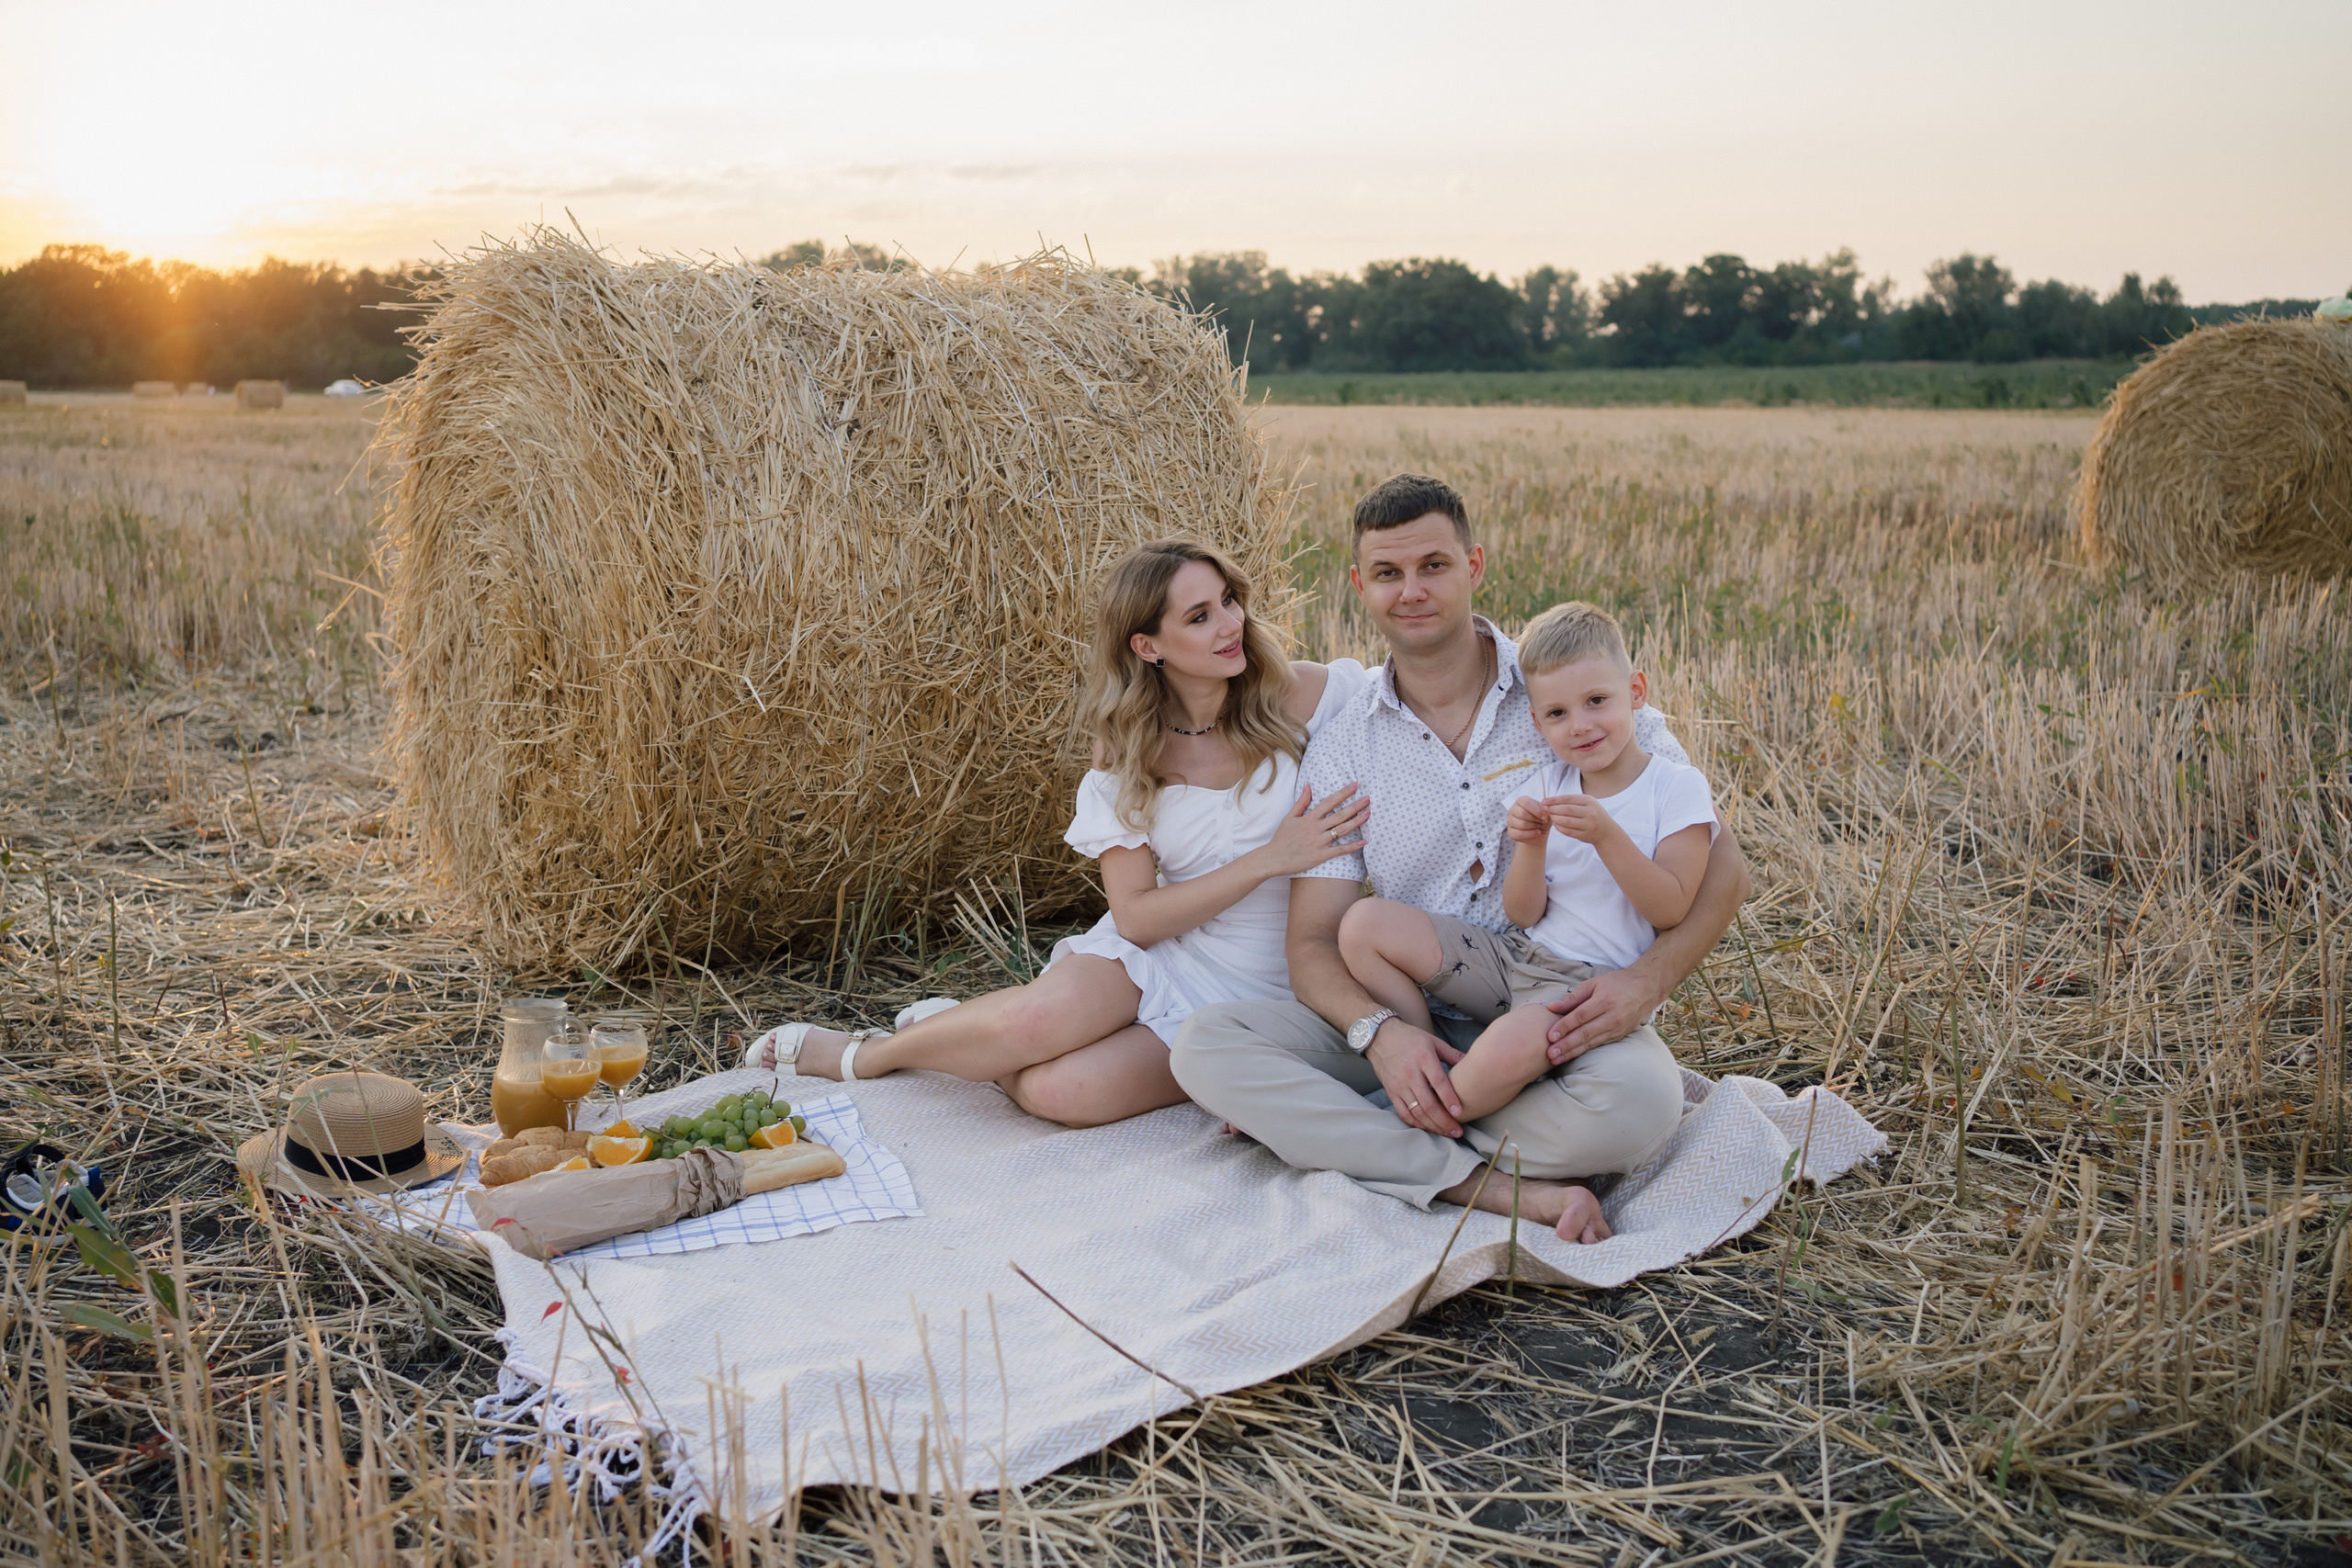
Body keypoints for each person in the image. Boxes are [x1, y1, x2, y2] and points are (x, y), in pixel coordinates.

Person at [1168, 475, 1752, 1245]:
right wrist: (1383, 1034)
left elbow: (1726, 869)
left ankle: (1367, 1135)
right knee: (1208, 1049)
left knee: (1642, 1105)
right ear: (1360, 586)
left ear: (1474, 565)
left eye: (1433, 566)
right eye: (1387, 573)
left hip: (1562, 1002)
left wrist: (1647, 981)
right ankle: (1492, 1182)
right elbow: (1313, 944)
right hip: (1416, 1014)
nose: (1411, 590)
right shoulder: (1347, 745)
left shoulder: (1568, 691)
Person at [746, 538, 1373, 1128]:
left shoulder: (1305, 695)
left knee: (1059, 1091)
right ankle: (877, 1053)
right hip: (1166, 953)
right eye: (1200, 616)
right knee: (1035, 1018)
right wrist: (1269, 859)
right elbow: (1136, 918)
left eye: (1229, 602)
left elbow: (1412, 695)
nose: (1231, 624)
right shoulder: (1130, 753)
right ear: (1148, 646)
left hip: (1275, 987)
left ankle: (963, 1036)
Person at [1338, 599, 1717, 1123]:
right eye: (1558, 714)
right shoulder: (1547, 784)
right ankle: (1422, 1055)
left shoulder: (1674, 786)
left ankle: (1403, 1122)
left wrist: (1607, 836)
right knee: (1364, 925)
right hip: (1515, 957)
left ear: (1636, 693)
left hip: (1579, 987)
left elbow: (1671, 907)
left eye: (1597, 701)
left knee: (1507, 1047)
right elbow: (1522, 913)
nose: (1580, 725)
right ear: (1538, 723)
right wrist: (1531, 847)